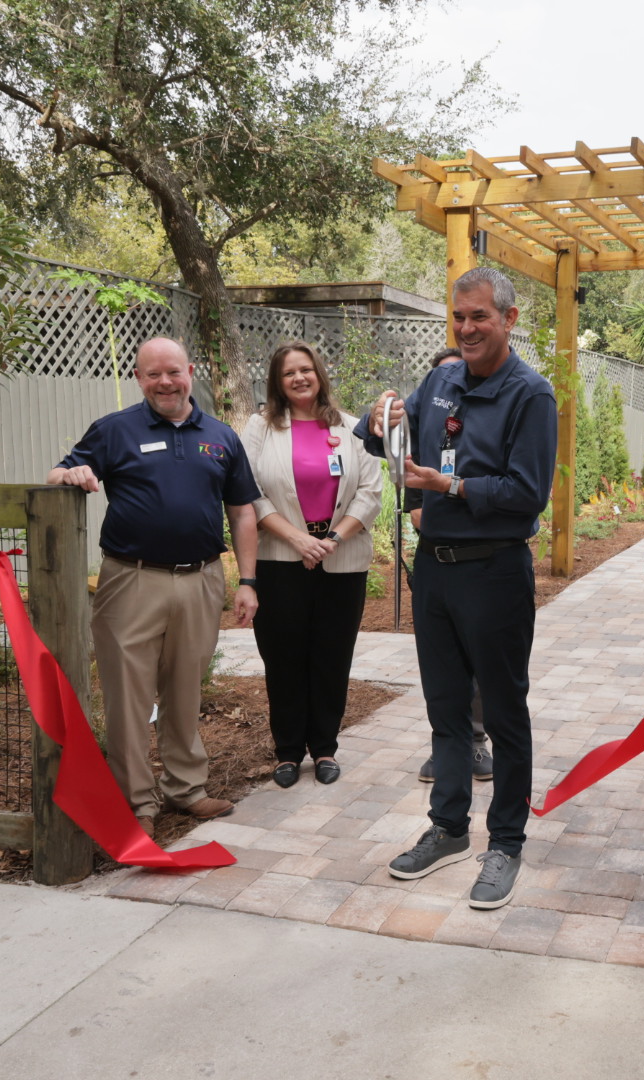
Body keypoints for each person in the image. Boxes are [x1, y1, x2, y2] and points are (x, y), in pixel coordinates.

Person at [357, 267, 556, 910]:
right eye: (459, 318)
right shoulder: (441, 379)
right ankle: (447, 830)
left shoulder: (531, 394)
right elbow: (389, 438)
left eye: (480, 317)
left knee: (501, 712)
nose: (467, 329)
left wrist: (453, 487)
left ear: (509, 319)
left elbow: (529, 493)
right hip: (436, 571)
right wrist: (376, 415)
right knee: (446, 707)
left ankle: (505, 842)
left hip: (495, 571)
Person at [47, 337, 260, 838]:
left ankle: (187, 789)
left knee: (186, 689)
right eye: (152, 374)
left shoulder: (221, 437)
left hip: (202, 579)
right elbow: (59, 472)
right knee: (128, 696)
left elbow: (243, 510)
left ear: (189, 372)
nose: (164, 382)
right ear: (140, 379)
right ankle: (136, 800)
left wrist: (247, 581)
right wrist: (71, 472)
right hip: (131, 580)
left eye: (173, 372)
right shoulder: (114, 431)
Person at [240, 342, 382, 787]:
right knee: (282, 658)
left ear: (319, 373)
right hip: (280, 558)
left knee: (332, 657)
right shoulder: (260, 428)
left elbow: (371, 493)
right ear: (277, 383)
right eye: (288, 374)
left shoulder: (352, 429)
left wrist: (332, 539)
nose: (299, 378)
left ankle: (324, 748)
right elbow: (249, 493)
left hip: (342, 559)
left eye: (306, 370)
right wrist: (300, 539)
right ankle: (286, 751)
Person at [404, 347, 492, 786]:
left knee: (479, 665)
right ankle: (447, 748)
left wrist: (453, 494)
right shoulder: (424, 444)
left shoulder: (476, 436)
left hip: (479, 567)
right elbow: (416, 510)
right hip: (436, 562)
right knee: (442, 669)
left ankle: (477, 740)